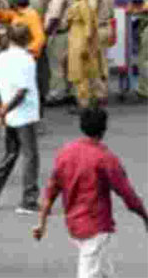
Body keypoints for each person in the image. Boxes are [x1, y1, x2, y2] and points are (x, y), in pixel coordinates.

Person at [32, 107, 148, 278]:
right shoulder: (105, 158)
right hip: (96, 225)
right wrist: (144, 216)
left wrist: (41, 223)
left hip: (74, 224)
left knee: (101, 269)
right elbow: (127, 194)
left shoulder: (65, 153)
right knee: (90, 272)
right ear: (104, 129)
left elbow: (51, 191)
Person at [0, 24, 41, 214]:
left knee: (10, 153)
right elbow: (22, 92)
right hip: (24, 114)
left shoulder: (1, 58)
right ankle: (28, 200)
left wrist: (0, 110)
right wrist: (6, 110)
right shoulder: (27, 59)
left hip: (8, 113)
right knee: (30, 156)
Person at [66, 0, 106, 111]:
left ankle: (84, 104)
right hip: (78, 40)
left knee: (81, 75)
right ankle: (90, 101)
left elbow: (88, 25)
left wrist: (85, 46)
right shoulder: (81, 3)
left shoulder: (83, 4)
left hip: (80, 42)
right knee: (83, 74)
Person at [45, 0, 79, 106]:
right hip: (74, 32)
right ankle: (72, 92)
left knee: (56, 65)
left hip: (60, 34)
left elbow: (54, 16)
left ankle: (56, 94)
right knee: (71, 65)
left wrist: (46, 32)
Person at [87, 0, 114, 87]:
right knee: (103, 62)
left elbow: (91, 11)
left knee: (95, 63)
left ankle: (98, 96)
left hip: (97, 29)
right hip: (107, 27)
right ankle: (104, 90)